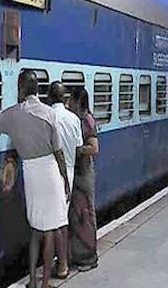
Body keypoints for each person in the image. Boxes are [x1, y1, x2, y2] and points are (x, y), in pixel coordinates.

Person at [0, 71, 70, 288]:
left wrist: (0, 114)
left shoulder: (13, 114)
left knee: (35, 230)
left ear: (21, 89)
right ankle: (45, 284)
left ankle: (32, 281)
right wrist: (65, 179)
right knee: (49, 231)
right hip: (50, 172)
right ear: (37, 89)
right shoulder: (49, 113)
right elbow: (59, 152)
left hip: (31, 173)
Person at [47, 82, 83, 279]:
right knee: (61, 219)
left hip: (49, 172)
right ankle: (61, 262)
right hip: (69, 171)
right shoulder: (73, 119)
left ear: (49, 98)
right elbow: (78, 147)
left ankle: (61, 265)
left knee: (54, 223)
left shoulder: (47, 117)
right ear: (65, 98)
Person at [67, 88, 99, 271]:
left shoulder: (87, 120)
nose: (68, 103)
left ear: (78, 101)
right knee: (76, 215)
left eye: (71, 99)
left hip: (84, 174)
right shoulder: (77, 119)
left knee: (85, 214)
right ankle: (77, 256)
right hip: (77, 173)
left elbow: (94, 148)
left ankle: (89, 257)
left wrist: (77, 150)